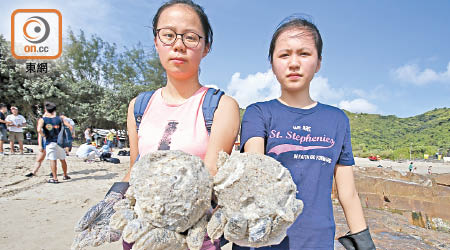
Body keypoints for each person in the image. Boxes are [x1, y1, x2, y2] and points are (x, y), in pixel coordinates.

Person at [73, 1, 240, 249]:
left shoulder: (221, 106)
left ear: (206, 47)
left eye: (191, 37)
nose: (179, 45)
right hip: (140, 234)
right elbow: (135, 169)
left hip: (194, 237)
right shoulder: (138, 106)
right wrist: (111, 201)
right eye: (169, 35)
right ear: (156, 42)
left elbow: (210, 175)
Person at [238, 16, 375, 249]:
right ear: (272, 63)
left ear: (318, 62)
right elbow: (255, 172)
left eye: (304, 53)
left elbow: (348, 193)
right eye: (284, 55)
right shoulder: (258, 113)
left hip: (316, 240)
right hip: (261, 241)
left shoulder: (337, 119)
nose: (293, 63)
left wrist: (365, 244)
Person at [37, 101, 73, 183]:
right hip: (60, 142)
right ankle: (65, 175)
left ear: (45, 110)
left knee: (53, 160)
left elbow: (39, 130)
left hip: (50, 142)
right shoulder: (60, 119)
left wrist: (44, 135)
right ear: (54, 110)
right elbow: (70, 127)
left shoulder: (42, 120)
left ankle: (55, 178)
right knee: (63, 159)